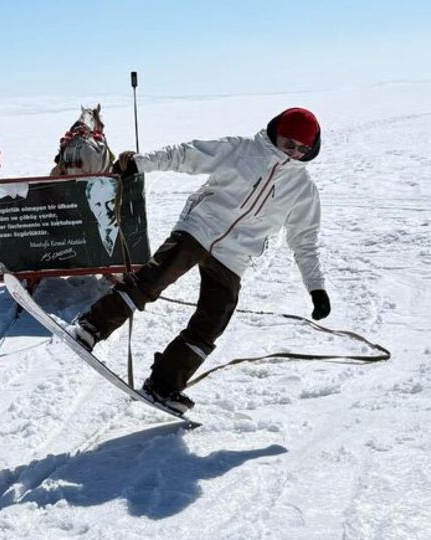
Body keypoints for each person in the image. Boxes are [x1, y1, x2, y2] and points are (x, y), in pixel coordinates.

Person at [68, 108, 332, 414]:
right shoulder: (242, 150)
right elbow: (186, 155)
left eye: (303, 148)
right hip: (199, 228)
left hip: (235, 255)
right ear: (276, 133)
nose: (295, 152)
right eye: (289, 143)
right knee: (151, 280)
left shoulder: (303, 190)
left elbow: (305, 241)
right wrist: (141, 163)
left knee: (214, 320)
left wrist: (316, 288)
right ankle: (90, 327)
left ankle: (163, 384)